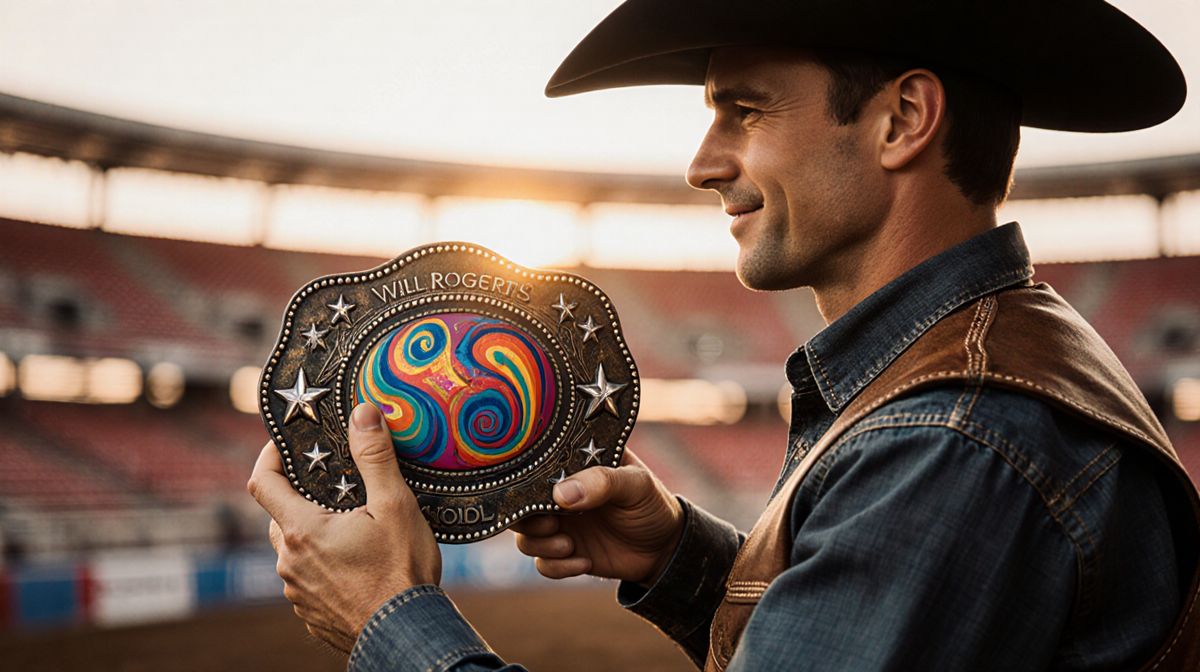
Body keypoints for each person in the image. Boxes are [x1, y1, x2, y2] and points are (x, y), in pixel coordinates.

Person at [248, 1, 1200, 670]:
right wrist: (683, 560)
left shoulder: (950, 441)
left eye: (744, 111)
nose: (702, 165)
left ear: (903, 119)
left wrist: (390, 622)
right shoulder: (986, 371)